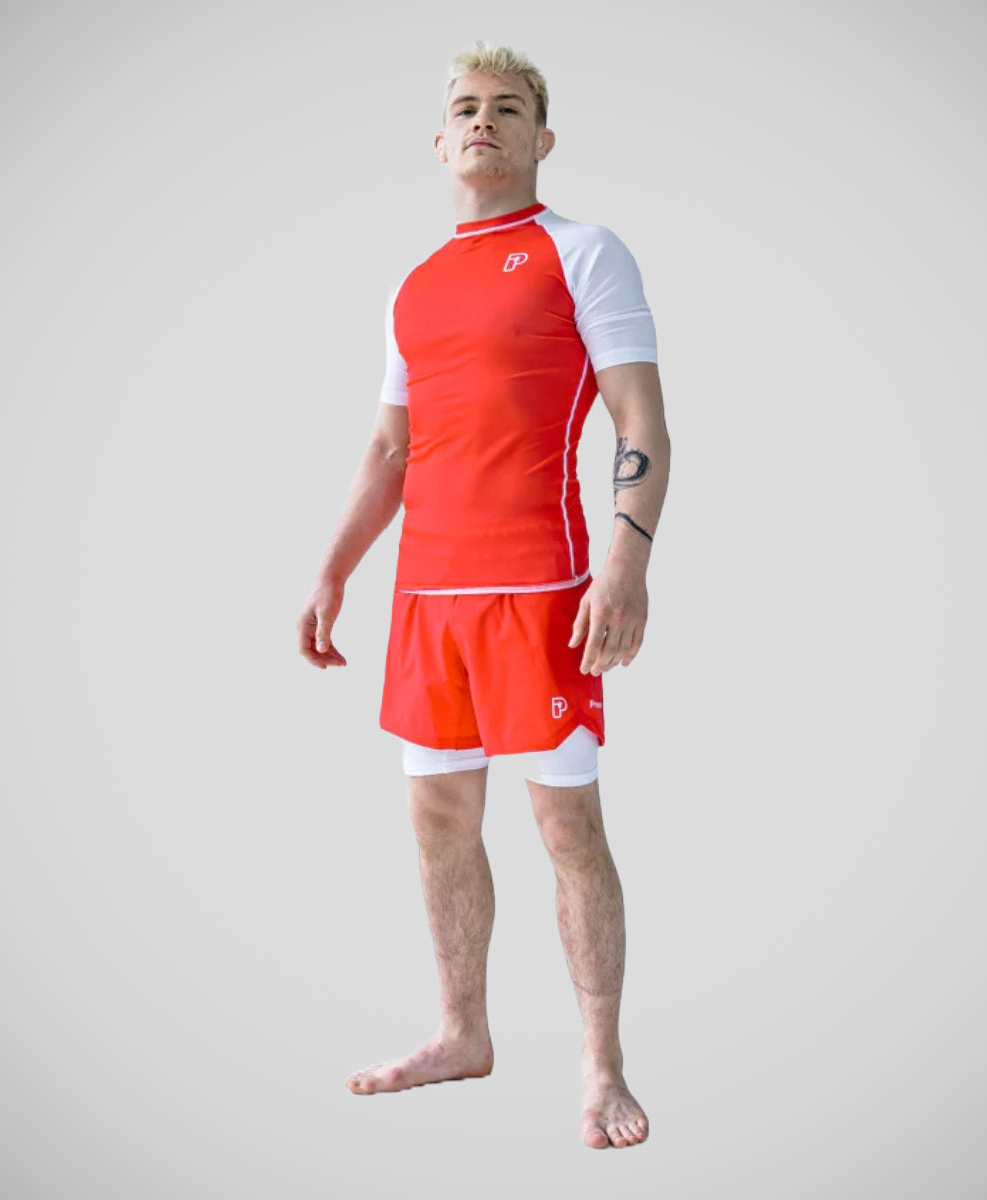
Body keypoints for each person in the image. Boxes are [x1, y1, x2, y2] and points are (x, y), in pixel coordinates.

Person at [296, 41, 670, 1151]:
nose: (483, 121)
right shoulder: (414, 285)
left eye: (509, 108)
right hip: (428, 598)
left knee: (566, 823)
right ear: (439, 140)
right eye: (465, 106)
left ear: (541, 139)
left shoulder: (583, 252)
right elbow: (390, 447)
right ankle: (463, 1033)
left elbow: (641, 419)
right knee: (437, 818)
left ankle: (601, 1068)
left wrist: (626, 562)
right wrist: (334, 568)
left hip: (541, 591)